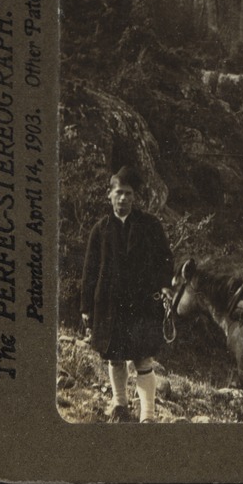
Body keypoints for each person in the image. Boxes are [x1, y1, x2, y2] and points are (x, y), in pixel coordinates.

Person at [80, 166, 174, 423]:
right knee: (115, 356)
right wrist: (86, 308)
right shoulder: (99, 230)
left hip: (142, 305)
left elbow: (166, 259)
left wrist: (166, 286)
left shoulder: (150, 226)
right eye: (118, 193)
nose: (123, 198)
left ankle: (147, 416)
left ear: (135, 197)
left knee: (143, 359)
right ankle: (120, 405)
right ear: (109, 195)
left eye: (128, 193)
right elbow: (89, 271)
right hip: (108, 306)